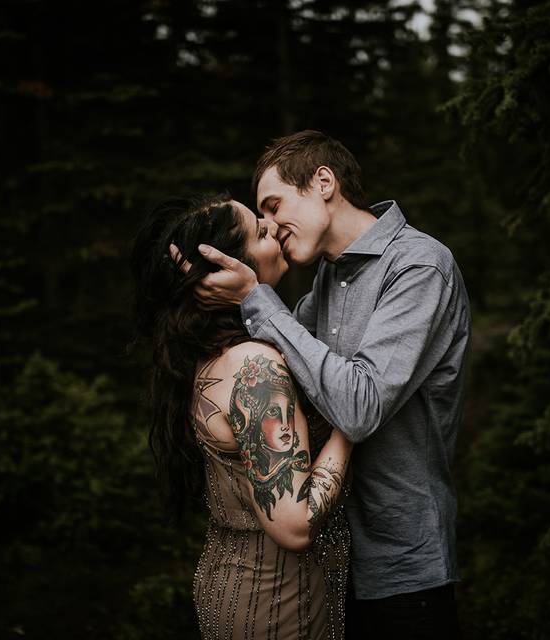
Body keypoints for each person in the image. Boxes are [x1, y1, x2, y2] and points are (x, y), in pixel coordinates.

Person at [186, 131, 471, 639]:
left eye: (273, 206)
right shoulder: (329, 278)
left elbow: (359, 407)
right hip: (330, 564)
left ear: (323, 182)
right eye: (262, 218)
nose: (270, 227)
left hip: (401, 562)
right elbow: (283, 372)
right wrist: (190, 290)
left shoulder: (418, 267)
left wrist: (255, 296)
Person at [130, 193, 352, 640]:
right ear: (231, 269)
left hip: (235, 584)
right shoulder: (255, 366)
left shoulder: (210, 356)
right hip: (276, 603)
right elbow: (294, 523)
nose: (275, 229)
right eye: (260, 231)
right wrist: (352, 423)